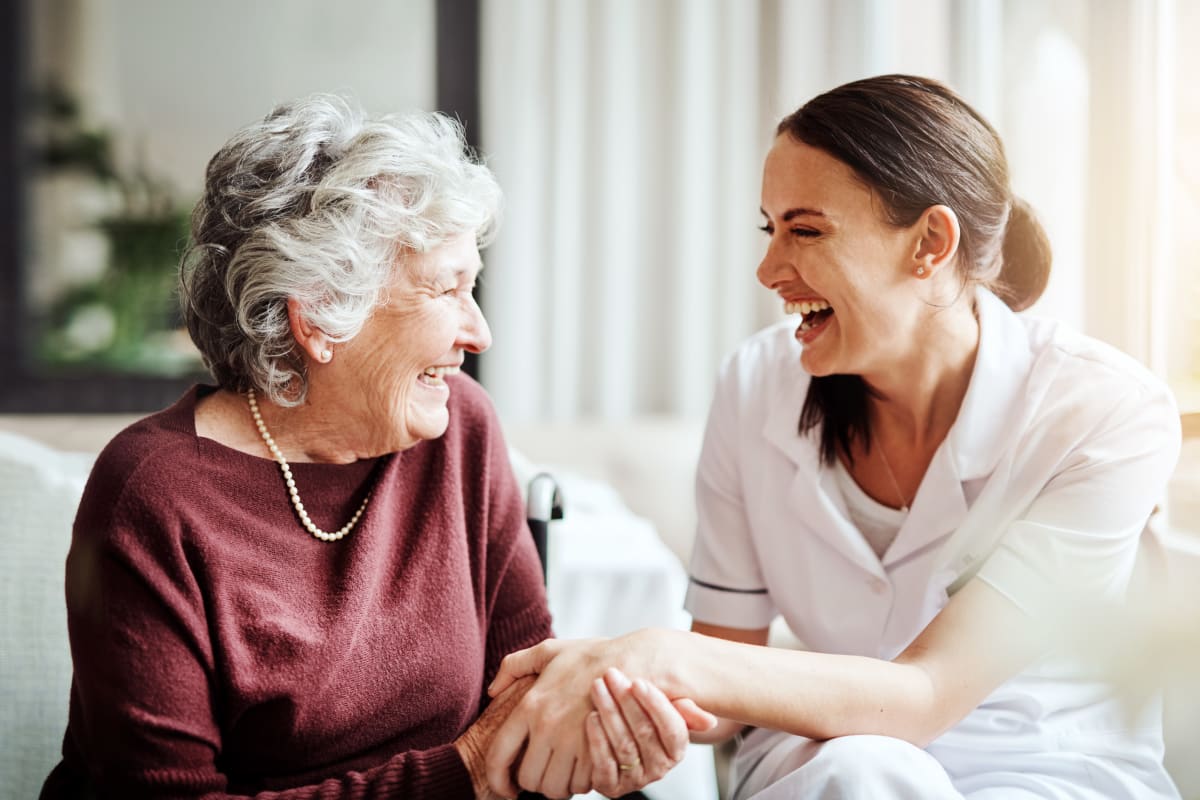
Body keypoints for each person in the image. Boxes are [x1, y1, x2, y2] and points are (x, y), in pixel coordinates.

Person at [485, 74, 1183, 799]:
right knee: (861, 768)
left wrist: (665, 658)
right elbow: (724, 676)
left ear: (930, 243)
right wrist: (615, 703)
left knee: (870, 768)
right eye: (771, 227)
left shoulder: (1103, 413)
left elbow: (927, 692)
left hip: (1043, 772)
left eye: (806, 230)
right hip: (827, 768)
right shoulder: (755, 387)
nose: (768, 269)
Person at [40, 94, 713, 800]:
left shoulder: (460, 430)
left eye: (471, 286)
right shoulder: (152, 494)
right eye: (446, 289)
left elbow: (524, 692)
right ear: (322, 317)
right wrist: (469, 771)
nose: (478, 332)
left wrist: (593, 734)